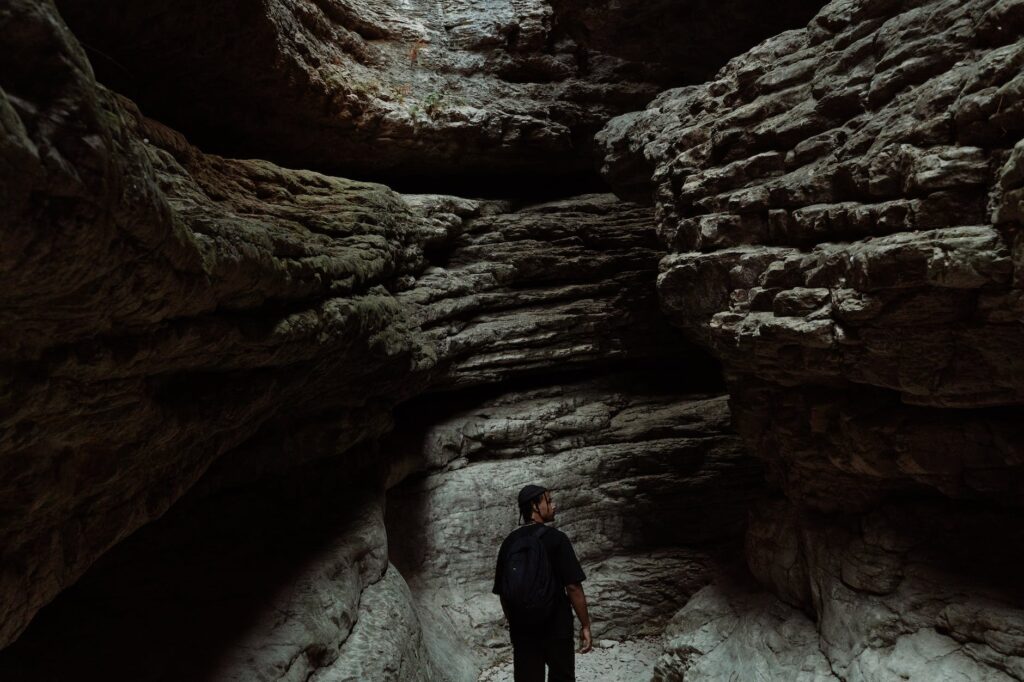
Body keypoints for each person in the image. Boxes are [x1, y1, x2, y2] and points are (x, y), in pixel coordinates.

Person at [493, 484, 592, 682]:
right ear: (535, 506)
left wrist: (516, 623)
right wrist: (585, 625)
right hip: (557, 627)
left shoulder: (509, 543)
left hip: (523, 630)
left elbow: (504, 593)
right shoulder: (557, 539)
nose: (553, 505)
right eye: (549, 500)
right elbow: (573, 587)